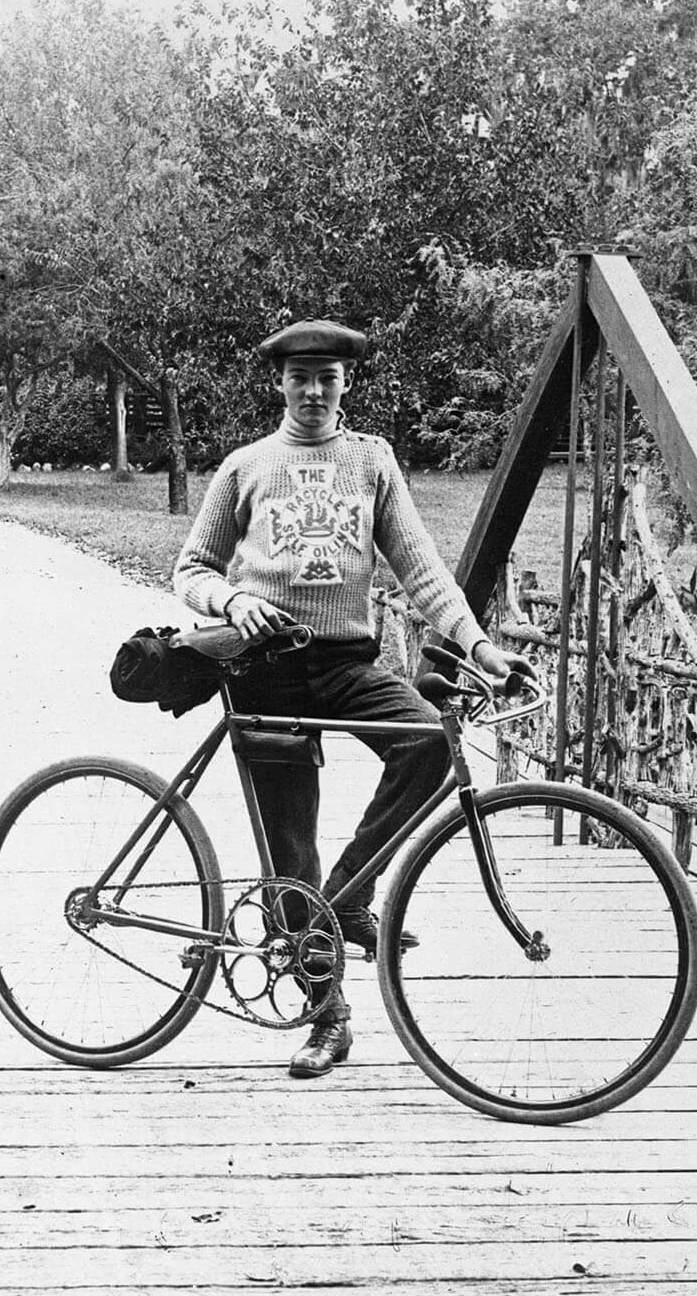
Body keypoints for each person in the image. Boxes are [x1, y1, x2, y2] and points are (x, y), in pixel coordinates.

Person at [172, 318, 518, 1081]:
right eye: (301, 377)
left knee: (429, 741)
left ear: (346, 382)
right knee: (290, 855)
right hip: (264, 671)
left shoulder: (372, 462)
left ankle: (349, 896)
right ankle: (327, 1019)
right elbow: (190, 567)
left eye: (328, 376)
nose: (314, 390)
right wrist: (230, 601)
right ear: (280, 383)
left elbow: (421, 568)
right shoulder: (246, 466)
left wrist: (481, 647)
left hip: (346, 664)